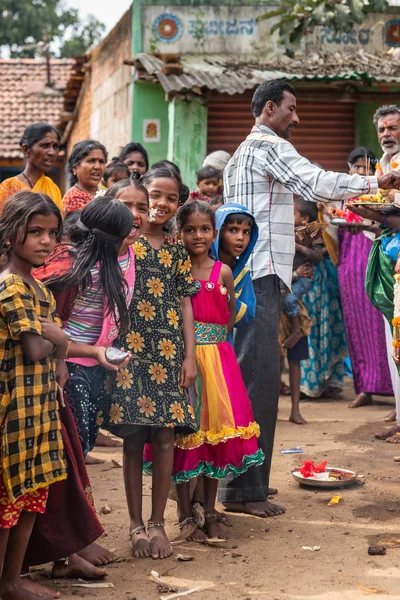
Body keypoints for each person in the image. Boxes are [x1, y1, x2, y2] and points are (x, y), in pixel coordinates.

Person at [221, 79, 400, 518]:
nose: (297, 118)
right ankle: (243, 490)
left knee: (255, 379)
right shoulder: (265, 146)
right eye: (291, 109)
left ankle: (248, 482)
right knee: (257, 381)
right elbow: (315, 182)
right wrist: (375, 179)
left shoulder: (247, 151)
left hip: (255, 276)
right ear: (268, 110)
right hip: (258, 276)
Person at [103, 167, 198, 560]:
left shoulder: (177, 250)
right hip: (130, 351)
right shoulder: (123, 244)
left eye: (168, 199)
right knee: (133, 438)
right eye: (150, 198)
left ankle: (158, 522)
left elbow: (185, 303)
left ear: (179, 204)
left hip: (170, 353)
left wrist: (190, 356)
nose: (158, 205)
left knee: (163, 437)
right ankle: (135, 524)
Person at [173, 200, 264, 541]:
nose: (198, 235)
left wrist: (212, 349)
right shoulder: (176, 269)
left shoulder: (222, 272)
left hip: (218, 364)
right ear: (179, 233)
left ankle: (209, 511)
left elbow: (227, 318)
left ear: (213, 233)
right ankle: (185, 515)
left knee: (214, 436)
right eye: (191, 229)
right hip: (185, 360)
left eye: (205, 229)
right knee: (184, 437)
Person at [0, 191, 68, 600]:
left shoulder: (36, 287)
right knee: (9, 501)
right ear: (11, 235)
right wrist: (58, 338)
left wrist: (56, 342)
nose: (46, 241)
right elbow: (35, 348)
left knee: (30, 494)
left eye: (52, 233)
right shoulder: (11, 286)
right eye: (36, 232)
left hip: (38, 408)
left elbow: (51, 352)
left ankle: (10, 580)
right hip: (14, 411)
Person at [47, 196, 136, 462]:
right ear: (116, 241)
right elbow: (52, 328)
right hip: (69, 363)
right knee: (72, 443)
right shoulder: (70, 268)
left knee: (84, 438)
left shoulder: (115, 264)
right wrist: (94, 352)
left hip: (95, 362)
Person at [348, 105, 400, 444]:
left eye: (393, 128)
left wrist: (379, 217)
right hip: (387, 256)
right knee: (393, 344)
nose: (387, 134)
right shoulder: (381, 165)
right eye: (382, 130)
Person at [337, 147, 393, 409]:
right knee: (357, 327)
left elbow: (385, 224)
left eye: (365, 166)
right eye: (355, 167)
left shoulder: (383, 195)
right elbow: (331, 226)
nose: (360, 171)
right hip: (349, 267)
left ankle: (390, 389)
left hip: (376, 260)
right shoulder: (343, 195)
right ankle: (365, 388)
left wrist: (368, 223)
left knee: (382, 327)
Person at [212, 202, 258, 343]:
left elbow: (248, 314)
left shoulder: (242, 275)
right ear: (217, 232)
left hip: (223, 345)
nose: (240, 237)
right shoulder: (200, 266)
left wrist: (225, 294)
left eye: (246, 232)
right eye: (233, 230)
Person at [282, 198, 324, 349]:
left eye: (292, 213)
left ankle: (296, 331)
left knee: (289, 299)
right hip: (290, 275)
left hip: (303, 277)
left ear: (304, 219)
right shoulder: (286, 229)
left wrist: (300, 248)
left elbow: (318, 256)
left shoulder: (312, 233)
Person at [0, 123, 62, 212]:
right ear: (26, 149)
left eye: (55, 146)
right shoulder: (8, 188)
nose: (52, 152)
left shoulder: (53, 188)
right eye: (45, 145)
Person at [62, 140, 107, 214]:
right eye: (91, 161)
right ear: (75, 168)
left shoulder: (105, 191)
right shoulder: (74, 199)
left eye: (101, 161)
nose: (97, 166)